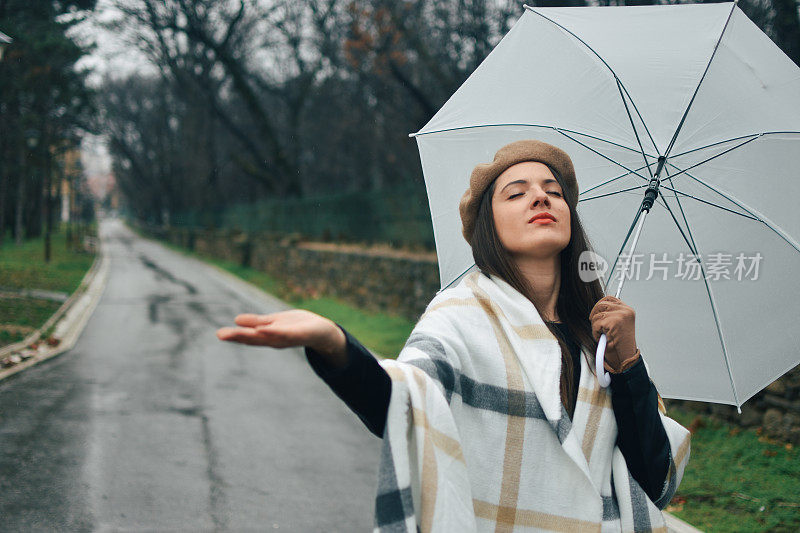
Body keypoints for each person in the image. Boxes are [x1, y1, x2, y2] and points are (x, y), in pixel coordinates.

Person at [217, 140, 691, 532]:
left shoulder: (599, 339)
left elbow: (653, 479)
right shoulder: (461, 316)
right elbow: (405, 403)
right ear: (489, 223)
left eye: (554, 191)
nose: (542, 198)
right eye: (517, 193)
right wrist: (333, 343)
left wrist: (628, 365)